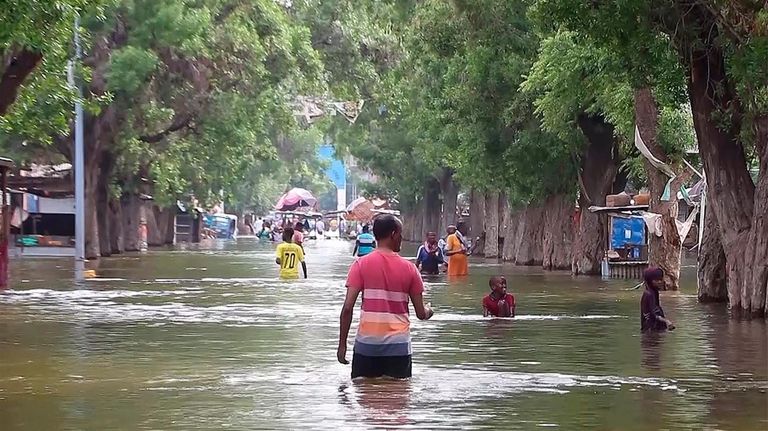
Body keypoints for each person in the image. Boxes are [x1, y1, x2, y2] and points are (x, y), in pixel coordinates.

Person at [337, 215, 434, 379]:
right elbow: (420, 313)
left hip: (367, 346)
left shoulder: (360, 265)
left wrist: (342, 346)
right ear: (394, 234)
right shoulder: (410, 269)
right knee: (397, 398)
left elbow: (347, 308)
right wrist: (429, 311)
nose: (401, 238)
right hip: (398, 347)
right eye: (401, 234)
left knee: (364, 399)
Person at [641, 267, 675, 332]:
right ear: (649, 280)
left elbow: (657, 310)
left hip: (655, 328)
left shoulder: (654, 292)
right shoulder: (648, 294)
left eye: (660, 279)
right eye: (656, 280)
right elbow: (652, 314)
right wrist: (666, 321)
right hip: (650, 330)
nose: (659, 282)